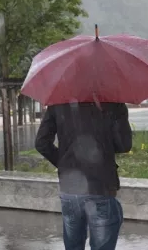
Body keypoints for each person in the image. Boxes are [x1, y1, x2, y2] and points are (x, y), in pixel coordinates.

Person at [35, 102, 132, 250]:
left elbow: (41, 143)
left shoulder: (59, 103)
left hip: (70, 189)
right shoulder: (113, 103)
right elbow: (124, 146)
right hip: (101, 186)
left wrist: (64, 163)